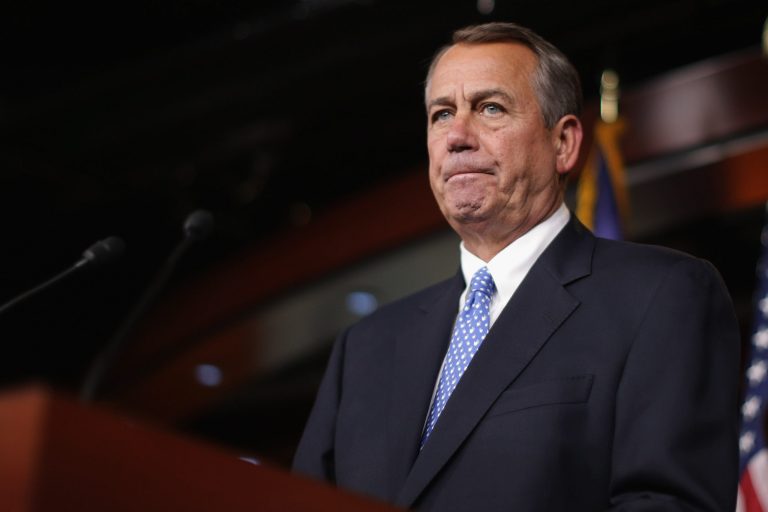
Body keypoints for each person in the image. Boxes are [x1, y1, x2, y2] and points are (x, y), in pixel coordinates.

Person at [292, 22, 740, 511]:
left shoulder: (662, 297)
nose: (457, 136)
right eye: (442, 114)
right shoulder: (365, 348)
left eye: (490, 108)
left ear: (563, 143)